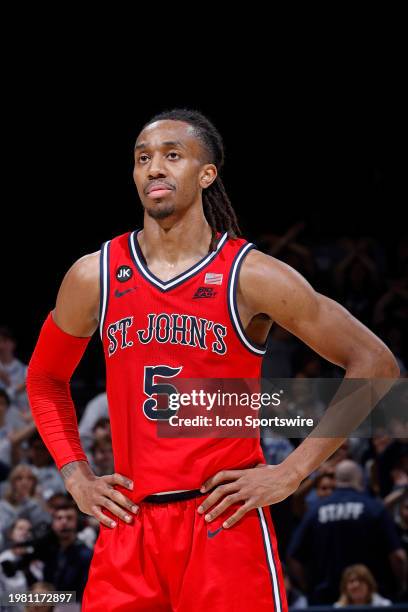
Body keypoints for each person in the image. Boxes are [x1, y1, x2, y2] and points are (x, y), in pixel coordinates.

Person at [26, 109, 399, 611]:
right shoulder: (93, 275)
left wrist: (292, 471)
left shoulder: (252, 275)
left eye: (171, 155)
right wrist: (75, 474)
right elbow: (46, 377)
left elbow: (376, 365)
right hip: (129, 529)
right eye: (143, 158)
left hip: (222, 522)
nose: (154, 167)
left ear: (207, 173)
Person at [287, 460, 406, 603]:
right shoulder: (374, 509)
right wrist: (401, 587)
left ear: (336, 480)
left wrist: (309, 587)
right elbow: (398, 557)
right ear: (360, 480)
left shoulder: (316, 511)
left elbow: (293, 557)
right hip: (372, 599)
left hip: (325, 599)